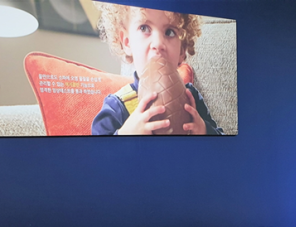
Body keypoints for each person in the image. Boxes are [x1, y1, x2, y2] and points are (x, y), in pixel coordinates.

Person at [92, 4, 223, 135]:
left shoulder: (191, 97)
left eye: (169, 32)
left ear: (182, 50)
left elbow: (223, 143)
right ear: (127, 42)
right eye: (144, 28)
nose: (158, 43)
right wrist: (124, 135)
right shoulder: (118, 105)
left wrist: (204, 130)